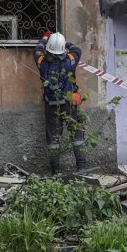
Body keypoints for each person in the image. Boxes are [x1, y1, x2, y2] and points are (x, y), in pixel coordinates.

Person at [35, 32, 90, 174]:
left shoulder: (41, 62)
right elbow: (77, 50)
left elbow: (37, 49)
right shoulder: (70, 60)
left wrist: (45, 37)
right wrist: (66, 43)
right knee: (77, 135)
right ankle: (82, 168)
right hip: (70, 105)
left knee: (53, 140)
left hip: (51, 106)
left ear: (48, 49)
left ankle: (56, 173)